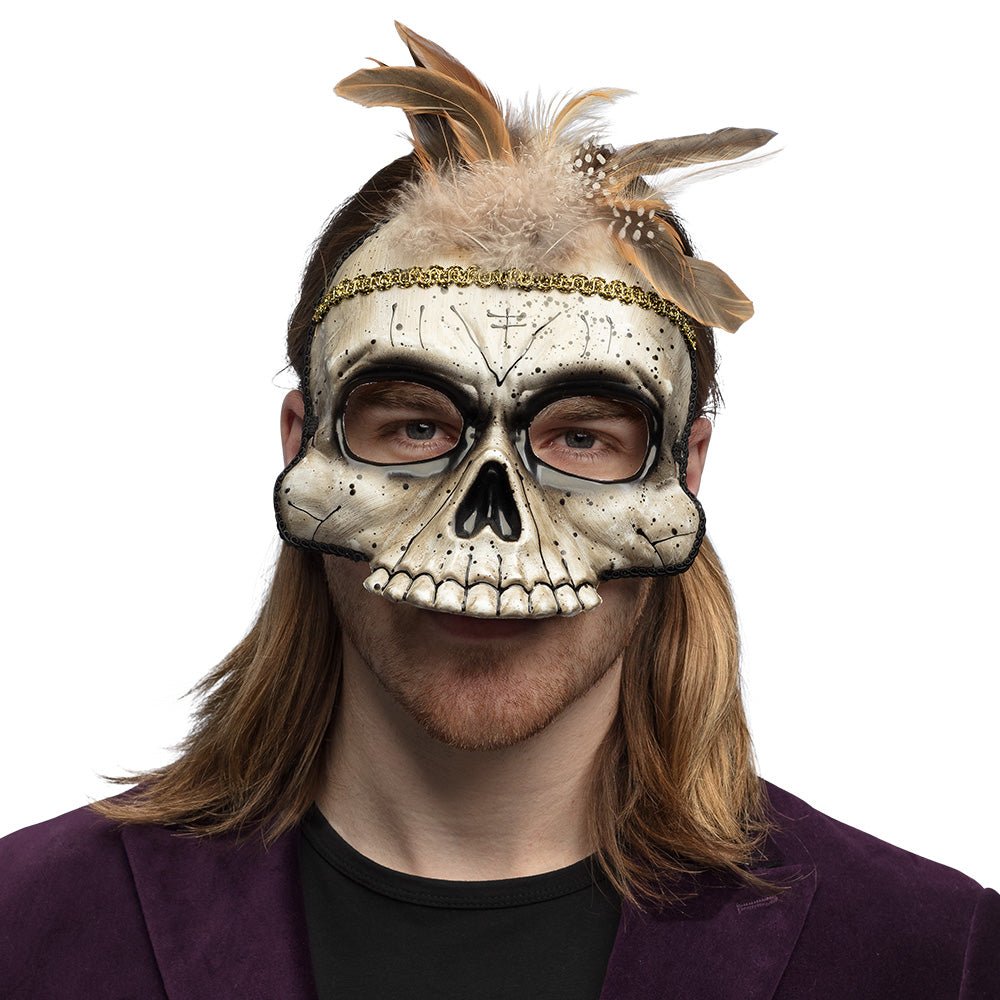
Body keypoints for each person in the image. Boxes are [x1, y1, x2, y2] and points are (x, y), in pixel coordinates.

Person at [2, 23, 997, 999]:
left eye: (581, 437)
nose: (491, 525)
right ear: (302, 444)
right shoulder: (24, 925)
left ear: (685, 471)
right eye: (415, 426)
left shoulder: (935, 956)